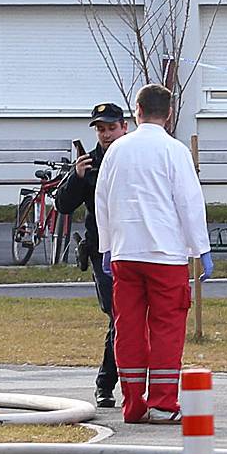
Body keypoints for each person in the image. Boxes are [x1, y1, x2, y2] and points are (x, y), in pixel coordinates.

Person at [92, 85, 211, 425]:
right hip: (166, 253)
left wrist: (107, 245)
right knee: (167, 326)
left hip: (125, 252)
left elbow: (104, 199)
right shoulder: (173, 151)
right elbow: (188, 202)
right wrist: (200, 249)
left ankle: (132, 403)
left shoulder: (116, 151)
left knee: (127, 327)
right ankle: (162, 400)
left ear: (137, 110)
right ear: (169, 114)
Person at [55, 102, 128, 410]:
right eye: (101, 129)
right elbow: (63, 205)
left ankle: (128, 382)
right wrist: (75, 176)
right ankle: (105, 384)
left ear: (124, 127)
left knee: (133, 319)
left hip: (135, 247)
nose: (106, 135)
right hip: (102, 251)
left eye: (111, 128)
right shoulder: (89, 162)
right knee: (118, 316)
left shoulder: (134, 156)